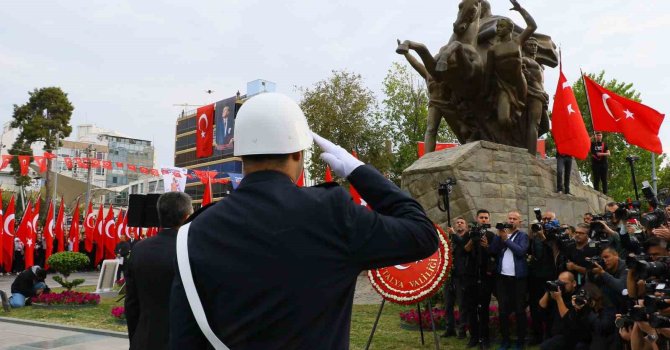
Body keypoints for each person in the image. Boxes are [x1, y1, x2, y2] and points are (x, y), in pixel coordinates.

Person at [169, 93, 438, 349]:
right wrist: (360, 171)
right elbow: (422, 233)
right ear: (298, 153)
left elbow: (184, 341)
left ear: (241, 156)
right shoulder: (332, 213)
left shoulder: (194, 233)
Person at [125, 192, 193, 350]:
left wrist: (135, 339)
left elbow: (131, 303)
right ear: (186, 217)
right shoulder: (192, 248)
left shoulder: (139, 249)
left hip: (144, 338)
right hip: (183, 340)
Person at [484, 0, 536, 129]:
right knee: (503, 120)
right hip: (503, 86)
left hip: (519, 83)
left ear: (509, 28)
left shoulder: (517, 42)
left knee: (522, 112)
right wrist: (485, 92)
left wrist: (520, 9)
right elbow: (488, 72)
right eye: (497, 27)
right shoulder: (493, 49)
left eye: (501, 26)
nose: (498, 29)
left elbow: (532, 26)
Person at [489, 210, 529, 350]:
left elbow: (520, 252)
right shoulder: (501, 235)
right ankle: (505, 340)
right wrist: (499, 236)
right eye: (509, 218)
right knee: (503, 311)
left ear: (519, 222)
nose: (511, 221)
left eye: (514, 219)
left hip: (518, 279)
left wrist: (506, 239)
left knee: (519, 310)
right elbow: (493, 250)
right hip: (502, 278)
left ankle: (520, 340)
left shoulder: (523, 235)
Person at [462, 209, 497, 349]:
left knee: (484, 310)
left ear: (488, 219)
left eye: (486, 217)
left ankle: (485, 338)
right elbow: (464, 251)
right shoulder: (469, 234)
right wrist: (472, 239)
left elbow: (494, 254)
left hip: (485, 277)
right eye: (481, 217)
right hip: (471, 276)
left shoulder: (491, 235)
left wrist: (487, 246)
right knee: (471, 308)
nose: (483, 219)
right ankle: (474, 337)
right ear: (476, 219)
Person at [539, 271, 590, 349]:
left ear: (574, 283)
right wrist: (549, 289)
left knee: (545, 347)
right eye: (559, 283)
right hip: (556, 334)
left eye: (564, 284)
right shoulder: (558, 293)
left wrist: (559, 299)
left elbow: (568, 318)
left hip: (573, 336)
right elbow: (542, 306)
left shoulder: (578, 297)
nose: (561, 286)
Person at [443, 217, 469, 339]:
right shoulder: (451, 240)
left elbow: (464, 245)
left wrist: (453, 234)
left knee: (462, 304)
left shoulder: (466, 238)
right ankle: (450, 328)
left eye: (462, 222)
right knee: (448, 304)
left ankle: (462, 330)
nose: (459, 224)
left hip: (461, 276)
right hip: (450, 276)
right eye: (457, 222)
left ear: (466, 226)